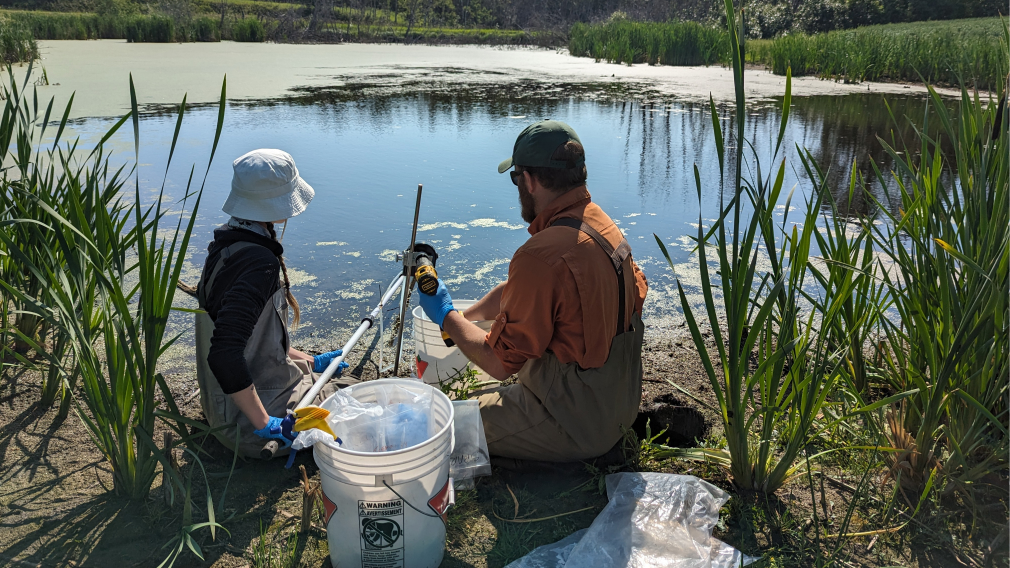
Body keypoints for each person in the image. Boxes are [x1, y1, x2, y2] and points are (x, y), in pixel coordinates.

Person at [418, 120, 648, 463]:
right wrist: (467, 317)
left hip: (575, 426)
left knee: (438, 423)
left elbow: (499, 364)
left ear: (528, 180)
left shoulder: (541, 255)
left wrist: (445, 315)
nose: (517, 188)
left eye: (516, 178)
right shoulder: (603, 226)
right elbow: (531, 293)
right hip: (619, 407)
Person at [194, 149, 352, 458]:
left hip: (221, 409)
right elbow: (225, 355)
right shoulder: (259, 263)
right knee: (352, 394)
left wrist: (309, 360)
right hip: (246, 426)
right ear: (273, 204)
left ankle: (307, 377)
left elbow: (253, 341)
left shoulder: (227, 244)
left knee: (332, 376)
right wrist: (266, 424)